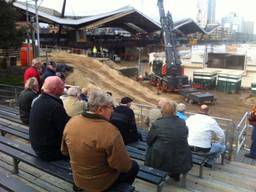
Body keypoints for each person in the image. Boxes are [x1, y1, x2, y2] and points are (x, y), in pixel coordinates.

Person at [61, 90, 139, 191]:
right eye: (111, 107)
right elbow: (123, 166)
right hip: (99, 185)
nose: (113, 110)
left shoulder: (72, 122)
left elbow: (64, 151)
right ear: (100, 109)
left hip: (79, 180)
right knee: (134, 166)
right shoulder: (110, 131)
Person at [145, 101, 192, 182]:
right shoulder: (182, 122)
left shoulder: (158, 123)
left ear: (162, 111)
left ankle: (156, 174)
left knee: (153, 148)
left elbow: (149, 141)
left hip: (163, 157)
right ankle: (175, 174)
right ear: (175, 111)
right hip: (181, 156)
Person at [29, 76, 70, 161]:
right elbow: (67, 129)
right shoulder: (54, 106)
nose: (64, 87)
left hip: (38, 147)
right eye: (62, 86)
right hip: (49, 152)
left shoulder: (38, 100)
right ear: (55, 89)